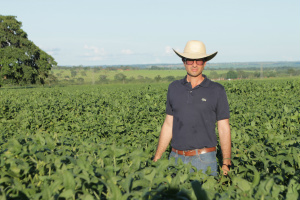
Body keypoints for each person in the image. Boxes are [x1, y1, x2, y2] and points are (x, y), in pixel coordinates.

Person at [153, 40, 231, 176]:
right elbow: (168, 124)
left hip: (204, 159)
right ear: (184, 62)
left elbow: (224, 127)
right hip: (175, 158)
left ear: (205, 62)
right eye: (190, 61)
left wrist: (226, 162)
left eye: (199, 61)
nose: (194, 65)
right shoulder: (174, 88)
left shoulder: (217, 90)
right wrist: (157, 157)